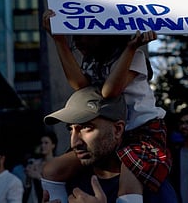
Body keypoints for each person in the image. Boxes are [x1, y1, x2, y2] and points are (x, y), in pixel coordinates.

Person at [41, 10, 171, 203]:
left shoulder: (134, 57)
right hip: (110, 132)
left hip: (142, 130)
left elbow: (110, 92)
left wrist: (131, 48)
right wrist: (58, 40)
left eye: (84, 33)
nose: (77, 41)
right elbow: (80, 86)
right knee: (52, 170)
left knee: (130, 173)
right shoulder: (94, 62)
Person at [41, 85, 179, 203]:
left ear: (118, 130)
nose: (74, 142)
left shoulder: (152, 188)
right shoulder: (70, 181)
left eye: (86, 127)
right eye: (71, 129)